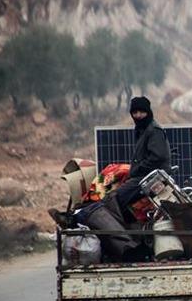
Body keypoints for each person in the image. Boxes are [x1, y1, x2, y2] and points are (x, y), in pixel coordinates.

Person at [49, 96, 170, 227]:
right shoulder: (143, 129)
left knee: (113, 199)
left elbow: (158, 157)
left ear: (148, 112)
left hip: (149, 178)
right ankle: (77, 216)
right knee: (110, 196)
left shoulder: (153, 131)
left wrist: (136, 169)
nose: (138, 116)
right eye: (135, 113)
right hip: (143, 176)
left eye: (142, 112)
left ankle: (75, 220)